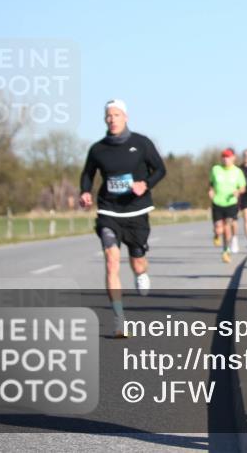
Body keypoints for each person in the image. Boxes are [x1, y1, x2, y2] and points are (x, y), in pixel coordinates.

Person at [79, 100, 166, 338]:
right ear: (105, 119)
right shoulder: (98, 149)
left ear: (125, 117)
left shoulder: (141, 143)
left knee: (137, 261)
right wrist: (85, 192)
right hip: (109, 211)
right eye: (108, 115)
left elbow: (160, 169)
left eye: (117, 115)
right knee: (111, 260)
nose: (112, 119)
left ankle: (141, 274)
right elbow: (88, 174)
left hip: (136, 211)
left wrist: (145, 184)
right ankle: (119, 320)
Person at [209, 148, 246, 263]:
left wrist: (238, 191)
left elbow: (243, 187)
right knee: (219, 229)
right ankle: (216, 234)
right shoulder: (216, 169)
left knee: (227, 227)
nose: (226, 159)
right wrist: (210, 191)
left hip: (231, 203)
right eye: (224, 157)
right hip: (217, 202)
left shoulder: (237, 171)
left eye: (228, 157)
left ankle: (226, 251)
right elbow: (211, 184)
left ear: (233, 158)